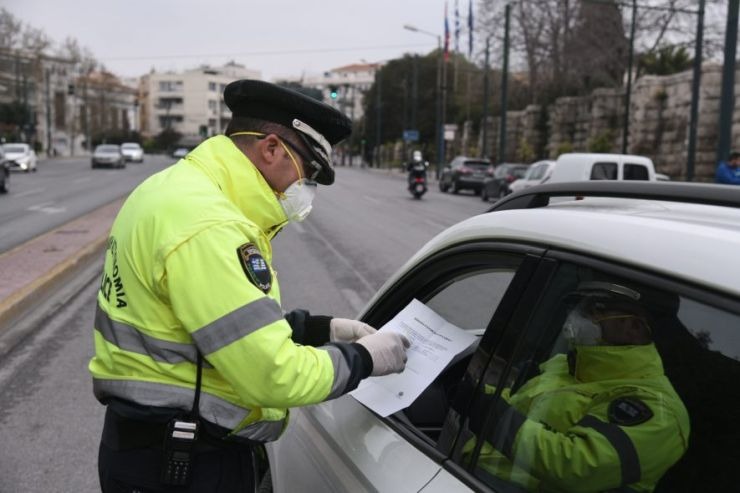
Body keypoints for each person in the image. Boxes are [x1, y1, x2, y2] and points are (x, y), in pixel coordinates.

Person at [89, 79, 410, 492]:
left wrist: (315, 329)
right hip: (182, 466)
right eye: (307, 171)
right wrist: (364, 359)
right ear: (271, 148)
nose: (304, 188)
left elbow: (201, 328)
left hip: (152, 450)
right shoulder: (211, 224)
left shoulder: (174, 189)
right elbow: (274, 377)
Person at [465, 282, 690, 493]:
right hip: (472, 473)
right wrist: (472, 389)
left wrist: (488, 412)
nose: (576, 316)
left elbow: (576, 465)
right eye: (578, 307)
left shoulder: (658, 410)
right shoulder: (568, 364)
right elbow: (521, 405)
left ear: (633, 327)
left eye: (594, 309)